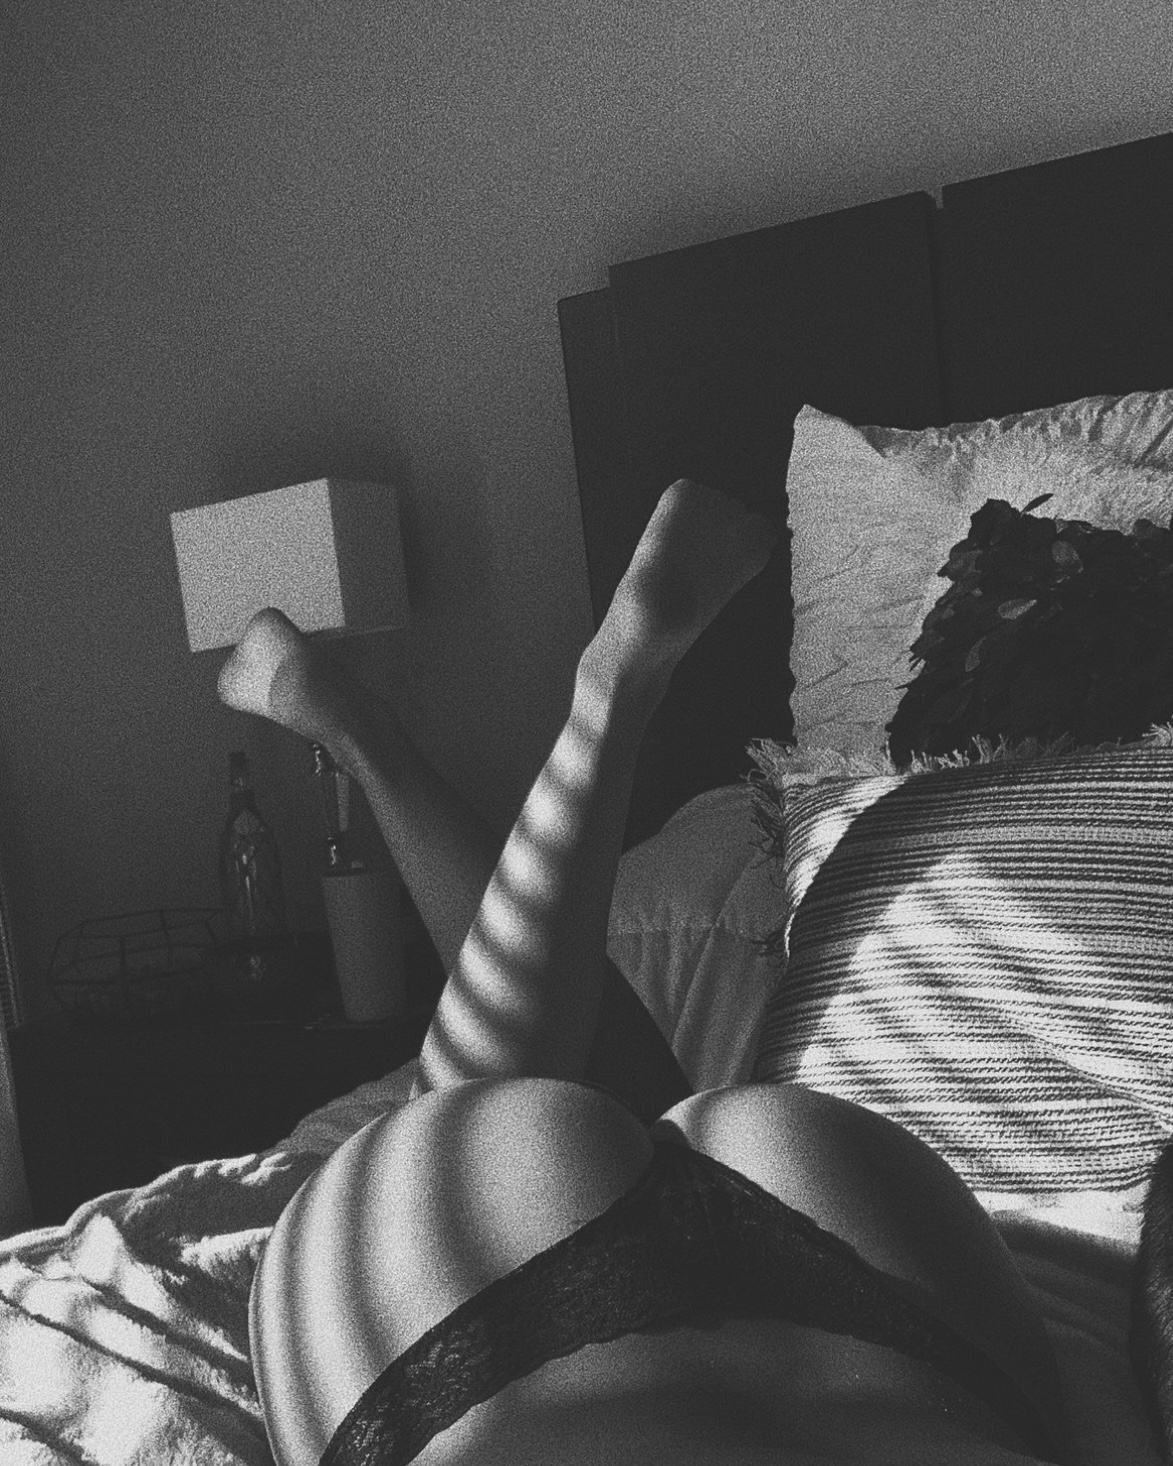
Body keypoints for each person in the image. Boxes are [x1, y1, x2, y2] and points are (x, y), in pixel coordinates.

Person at [221, 480, 1074, 1466]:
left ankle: (434, 726)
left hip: (853, 1248)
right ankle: (510, 711)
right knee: (486, 1106)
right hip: (860, 1286)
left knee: (503, 1107)